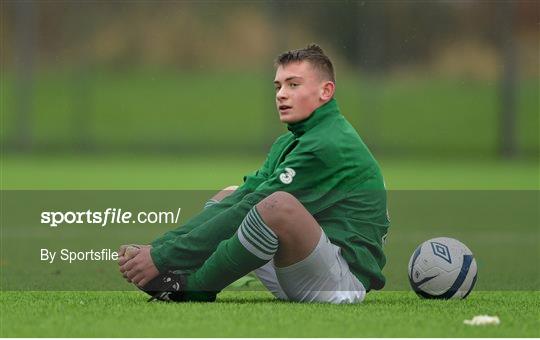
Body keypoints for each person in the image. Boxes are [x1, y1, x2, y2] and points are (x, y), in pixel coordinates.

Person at [119, 44, 389, 304]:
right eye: (278, 86)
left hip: (339, 284)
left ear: (326, 91)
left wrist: (163, 257)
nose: (281, 94)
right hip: (300, 268)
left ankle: (195, 288)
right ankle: (177, 278)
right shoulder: (292, 141)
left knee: (277, 206)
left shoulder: (327, 145)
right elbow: (246, 197)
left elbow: (259, 206)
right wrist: (159, 249)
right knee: (230, 194)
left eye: (293, 85)